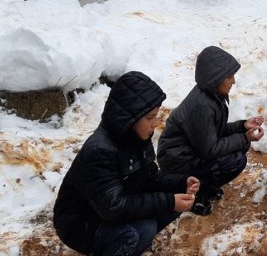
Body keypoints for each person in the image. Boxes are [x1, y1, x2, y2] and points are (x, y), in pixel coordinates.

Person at [54, 71, 199, 256]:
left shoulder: (138, 138)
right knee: (141, 229)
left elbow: (151, 179)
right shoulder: (100, 150)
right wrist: (169, 201)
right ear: (130, 117)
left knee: (170, 205)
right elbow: (113, 207)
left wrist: (181, 183)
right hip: (80, 222)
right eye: (149, 118)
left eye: (156, 116)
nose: (155, 123)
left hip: (109, 208)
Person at [157, 46, 264, 216]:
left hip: (188, 154)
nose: (234, 82)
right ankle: (194, 194)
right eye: (229, 77)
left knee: (238, 148)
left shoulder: (211, 96)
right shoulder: (202, 106)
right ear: (216, 79)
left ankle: (205, 185)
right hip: (177, 162)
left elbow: (214, 132)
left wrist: (242, 126)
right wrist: (244, 138)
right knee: (236, 160)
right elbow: (210, 149)